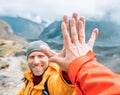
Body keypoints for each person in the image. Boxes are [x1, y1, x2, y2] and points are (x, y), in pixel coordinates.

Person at [41, 13, 120, 95]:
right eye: (31, 57)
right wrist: (79, 65)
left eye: (40, 56)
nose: (36, 61)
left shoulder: (50, 76)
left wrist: (79, 65)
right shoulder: (27, 81)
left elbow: (60, 90)